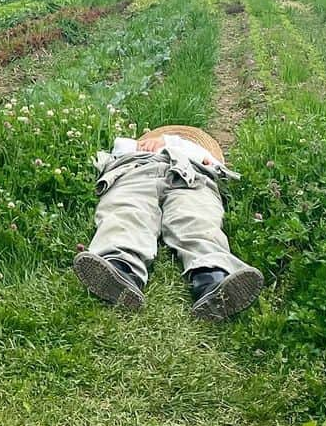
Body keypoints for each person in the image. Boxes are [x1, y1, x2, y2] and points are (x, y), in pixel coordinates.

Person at [73, 124, 263, 319]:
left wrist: (174, 143)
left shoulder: (196, 152)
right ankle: (120, 267)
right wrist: (149, 145)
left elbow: (212, 165)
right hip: (136, 171)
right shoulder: (130, 146)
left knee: (196, 219)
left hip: (190, 177)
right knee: (127, 211)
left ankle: (212, 279)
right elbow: (120, 148)